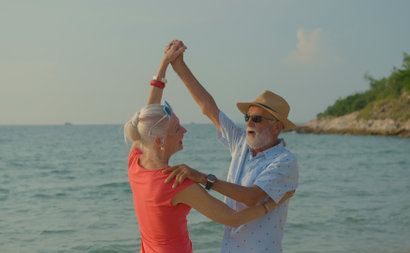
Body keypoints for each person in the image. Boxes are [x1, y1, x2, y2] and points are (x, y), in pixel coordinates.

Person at [124, 43, 293, 253]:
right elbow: (232, 218)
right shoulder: (176, 181)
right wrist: (270, 205)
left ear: (277, 126)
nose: (249, 123)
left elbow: (251, 197)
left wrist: (166, 67)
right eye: (247, 117)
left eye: (256, 119)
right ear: (158, 140)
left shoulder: (135, 163)